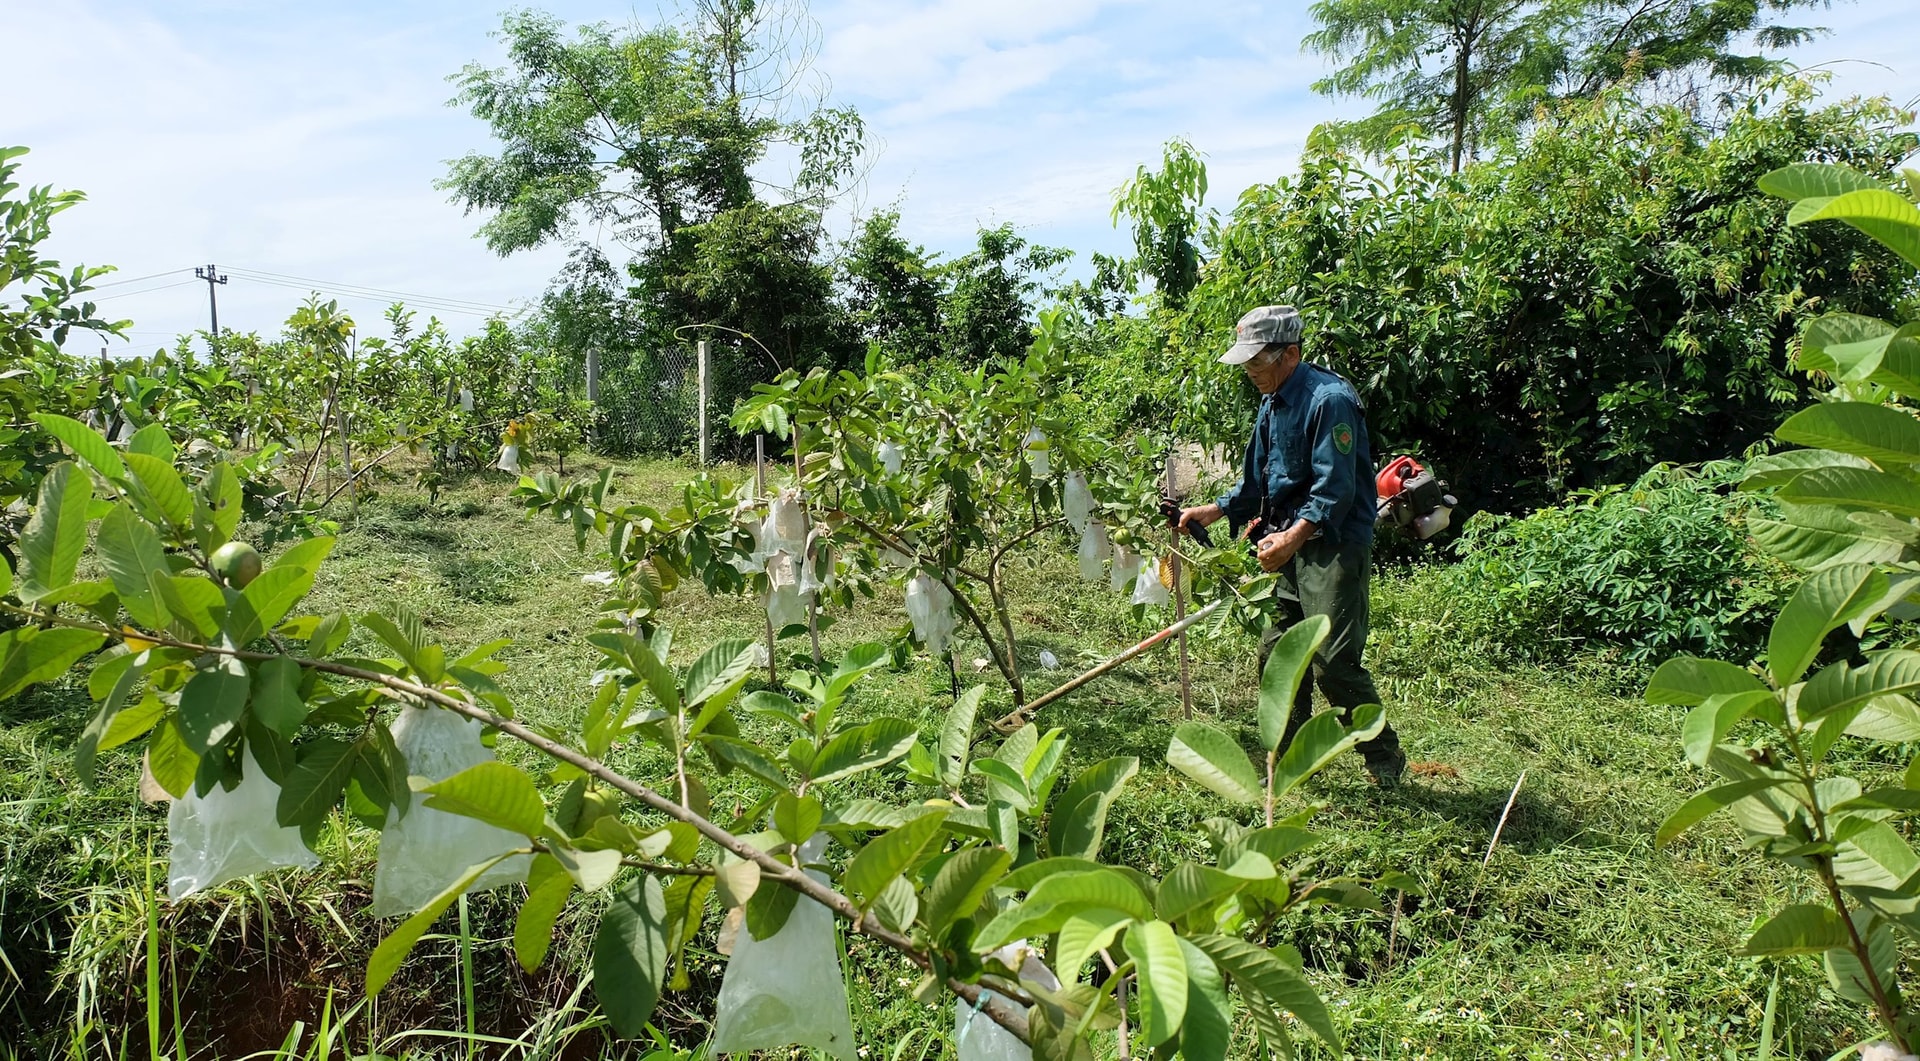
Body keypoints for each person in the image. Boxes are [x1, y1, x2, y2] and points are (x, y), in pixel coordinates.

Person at [1176, 304, 1406, 788]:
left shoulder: (1330, 401)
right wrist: (1214, 510)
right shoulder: (1272, 400)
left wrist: (1294, 537)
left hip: (1331, 545)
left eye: (1256, 361)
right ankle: (1286, 759)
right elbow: (1257, 482)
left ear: (1290, 354)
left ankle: (1383, 757)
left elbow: (1335, 490)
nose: (1249, 372)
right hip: (1285, 542)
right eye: (1246, 363)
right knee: (1278, 653)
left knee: (1331, 660)